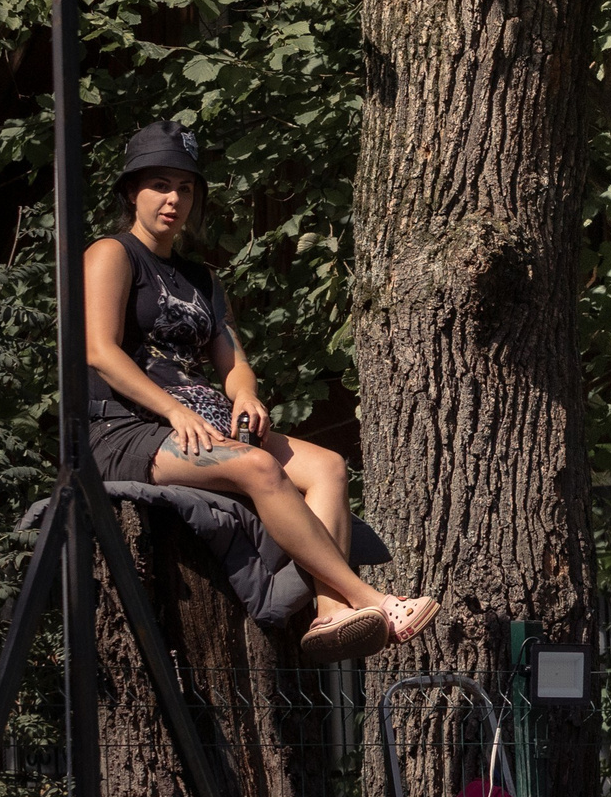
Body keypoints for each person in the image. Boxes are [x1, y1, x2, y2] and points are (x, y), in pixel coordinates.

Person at [84, 119, 436, 663]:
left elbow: (234, 361)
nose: (173, 198)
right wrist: (174, 411)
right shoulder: (112, 253)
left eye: (185, 186)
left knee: (329, 467)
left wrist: (245, 395)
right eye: (159, 184)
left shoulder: (201, 278)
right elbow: (99, 352)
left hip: (202, 420)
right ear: (132, 191)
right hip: (127, 431)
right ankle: (371, 599)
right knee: (259, 468)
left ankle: (328, 612)